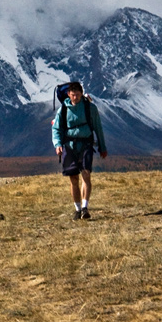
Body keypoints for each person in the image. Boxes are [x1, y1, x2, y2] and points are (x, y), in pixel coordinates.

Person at [51, 81, 107, 220]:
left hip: (86, 144)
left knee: (86, 174)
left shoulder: (90, 108)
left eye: (77, 94)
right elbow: (56, 129)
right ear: (69, 94)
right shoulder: (63, 109)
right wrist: (58, 144)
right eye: (73, 94)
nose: (75, 97)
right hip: (69, 146)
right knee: (73, 178)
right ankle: (77, 209)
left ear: (81, 94)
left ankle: (84, 208)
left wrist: (102, 147)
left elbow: (98, 127)